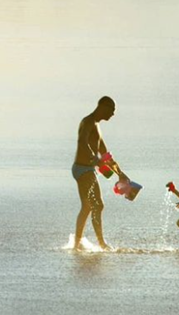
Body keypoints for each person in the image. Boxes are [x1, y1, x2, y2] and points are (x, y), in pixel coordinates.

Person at [72, 96, 129, 250]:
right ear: (103, 107)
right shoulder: (88, 121)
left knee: (88, 207)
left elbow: (105, 155)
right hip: (83, 168)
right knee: (97, 205)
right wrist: (95, 160)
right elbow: (82, 142)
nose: (113, 114)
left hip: (89, 168)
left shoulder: (97, 126)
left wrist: (120, 174)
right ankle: (101, 243)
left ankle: (77, 243)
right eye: (112, 110)